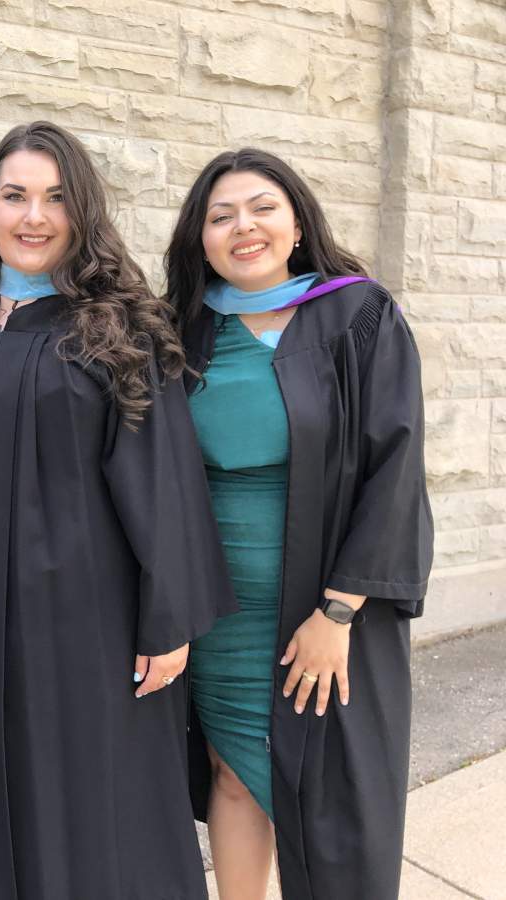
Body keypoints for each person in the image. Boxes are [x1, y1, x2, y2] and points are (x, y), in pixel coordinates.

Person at [0, 120, 235, 899]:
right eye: (13, 195)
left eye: (54, 198)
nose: (33, 217)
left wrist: (170, 618)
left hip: (85, 624)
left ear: (81, 212)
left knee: (91, 801)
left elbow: (164, 474)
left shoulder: (116, 326)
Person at [164, 148, 433, 900]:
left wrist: (341, 609)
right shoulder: (184, 332)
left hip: (325, 610)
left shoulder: (358, 314)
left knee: (327, 798)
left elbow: (397, 467)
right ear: (200, 237)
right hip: (221, 609)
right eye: (221, 216)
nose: (242, 227)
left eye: (261, 208)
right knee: (231, 770)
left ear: (295, 221)